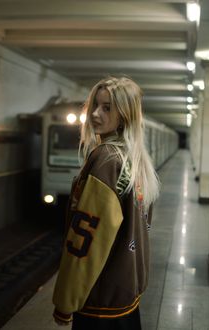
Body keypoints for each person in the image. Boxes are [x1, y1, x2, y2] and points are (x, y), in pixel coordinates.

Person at [52, 76, 160, 330]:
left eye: (107, 108)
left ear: (124, 115)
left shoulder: (106, 159)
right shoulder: (135, 159)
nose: (96, 115)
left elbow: (87, 240)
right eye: (95, 106)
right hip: (126, 292)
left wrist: (67, 300)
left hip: (101, 298)